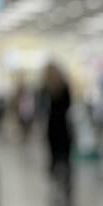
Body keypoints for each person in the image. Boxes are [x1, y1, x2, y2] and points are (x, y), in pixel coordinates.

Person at [42, 62, 74, 198]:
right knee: (63, 158)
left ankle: (59, 185)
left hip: (55, 127)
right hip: (62, 126)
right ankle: (65, 185)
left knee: (56, 157)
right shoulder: (61, 87)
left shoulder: (47, 88)